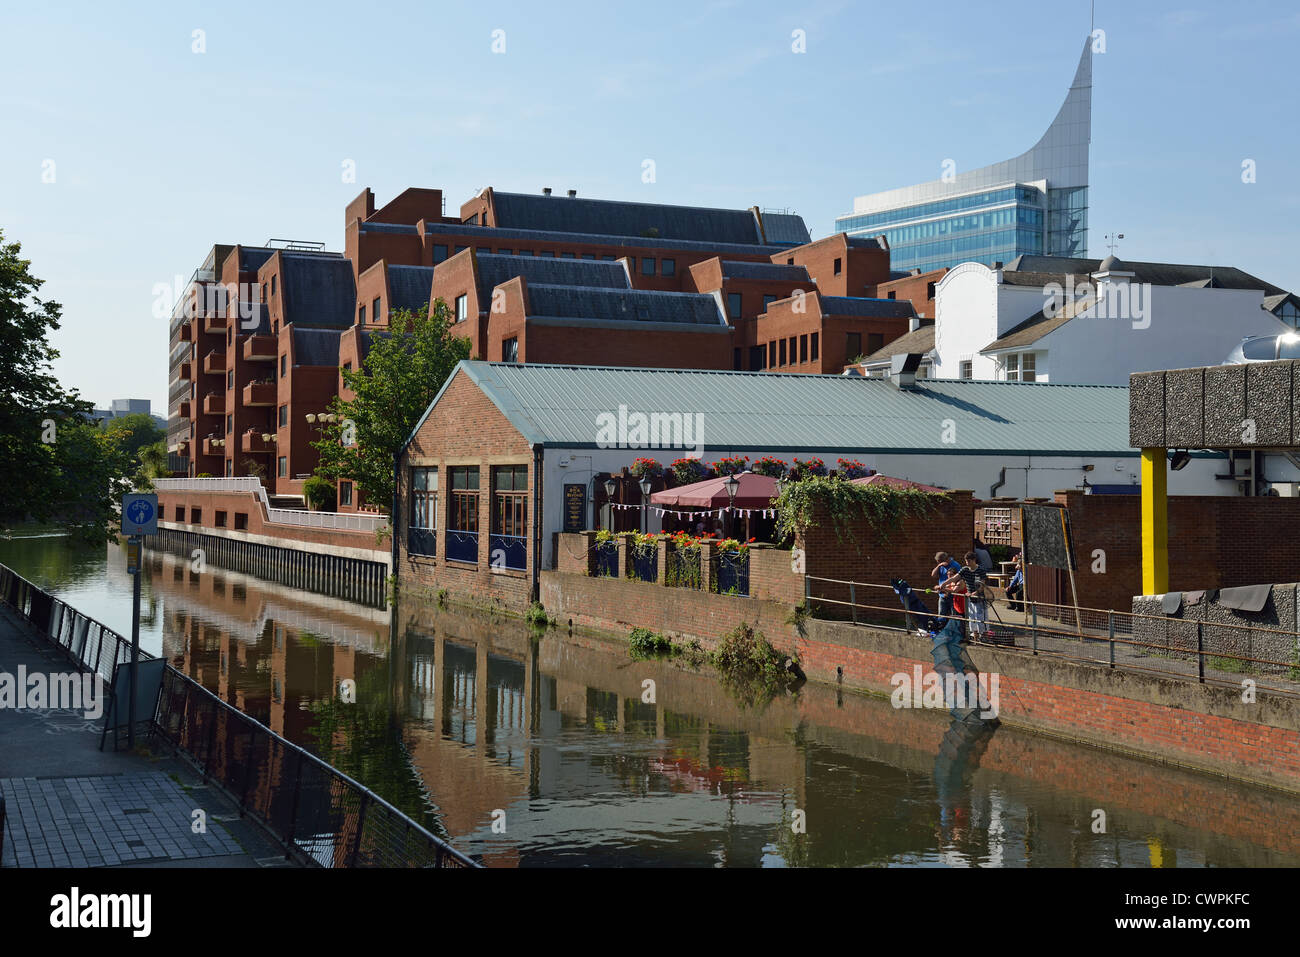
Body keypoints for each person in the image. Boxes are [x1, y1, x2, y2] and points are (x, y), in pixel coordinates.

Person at [956, 551, 989, 640]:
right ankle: (975, 639)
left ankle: (984, 639)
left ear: (974, 560)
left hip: (980, 600)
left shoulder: (981, 570)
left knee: (981, 621)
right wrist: (943, 585)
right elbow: (954, 578)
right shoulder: (965, 570)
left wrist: (975, 593)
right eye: (966, 561)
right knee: (972, 621)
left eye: (969, 561)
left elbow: (982, 586)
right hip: (970, 600)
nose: (967, 563)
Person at [932, 551, 964, 627]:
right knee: (941, 615)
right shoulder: (941, 565)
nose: (939, 563)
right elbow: (933, 575)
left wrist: (945, 588)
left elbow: (958, 579)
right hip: (942, 594)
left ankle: (955, 632)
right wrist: (939, 566)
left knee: (954, 615)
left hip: (952, 595)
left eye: (939, 562)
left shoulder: (956, 565)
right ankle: (941, 630)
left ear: (946, 559)